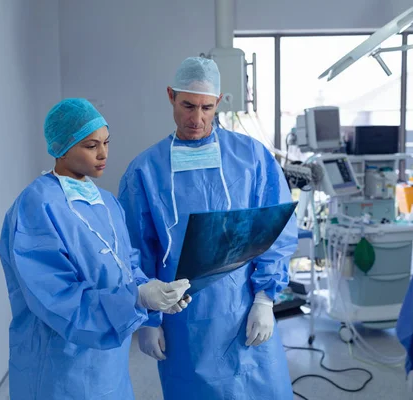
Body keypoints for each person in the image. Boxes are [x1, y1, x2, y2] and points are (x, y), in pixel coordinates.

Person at [118, 57, 298, 399]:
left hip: (244, 306)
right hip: (184, 318)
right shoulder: (144, 171)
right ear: (170, 96)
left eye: (206, 107)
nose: (196, 118)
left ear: (219, 102)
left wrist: (264, 298)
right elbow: (135, 249)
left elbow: (275, 229)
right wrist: (148, 319)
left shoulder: (252, 158)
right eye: (187, 105)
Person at [0, 98, 192, 400]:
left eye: (106, 143)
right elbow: (56, 298)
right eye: (90, 146)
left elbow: (125, 262)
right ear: (62, 147)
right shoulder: (37, 207)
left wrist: (152, 294)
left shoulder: (106, 202)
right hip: (59, 364)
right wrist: (135, 298)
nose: (103, 154)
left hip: (108, 363)